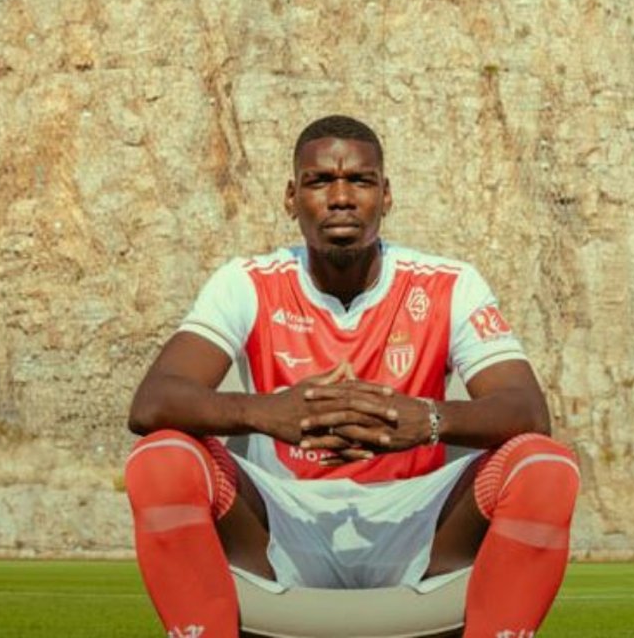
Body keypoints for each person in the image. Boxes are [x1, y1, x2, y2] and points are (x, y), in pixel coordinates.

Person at [124, 115, 580, 638]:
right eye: (320, 181)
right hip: (282, 516)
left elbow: (527, 410)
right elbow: (152, 402)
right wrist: (266, 413)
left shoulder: (449, 283)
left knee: (545, 466)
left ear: (386, 196)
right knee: (161, 457)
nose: (341, 198)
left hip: (417, 517)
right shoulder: (246, 282)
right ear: (291, 198)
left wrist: (428, 420)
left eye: (360, 181)